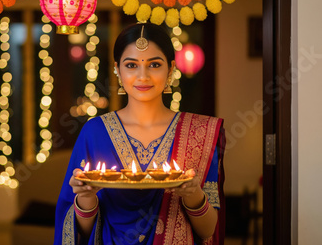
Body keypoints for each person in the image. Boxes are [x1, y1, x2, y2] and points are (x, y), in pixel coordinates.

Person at [54, 23, 226, 245]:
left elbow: (208, 231)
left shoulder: (200, 133)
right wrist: (86, 196)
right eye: (131, 65)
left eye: (154, 64)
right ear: (117, 69)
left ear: (171, 69)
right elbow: (81, 234)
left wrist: (193, 194)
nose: (143, 76)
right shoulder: (95, 132)